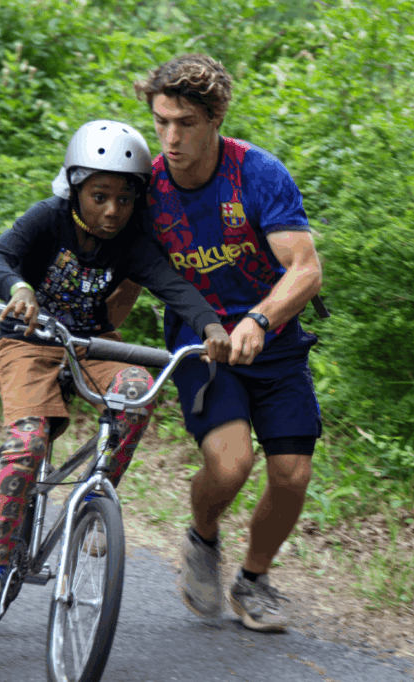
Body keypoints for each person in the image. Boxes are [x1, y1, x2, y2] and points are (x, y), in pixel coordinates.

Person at [0, 120, 231, 610]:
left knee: (136, 391)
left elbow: (174, 287)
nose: (112, 210)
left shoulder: (132, 243)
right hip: (30, 340)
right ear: (75, 187)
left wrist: (211, 327)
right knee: (29, 439)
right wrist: (20, 289)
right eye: (100, 195)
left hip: (93, 342)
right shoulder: (47, 218)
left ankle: (92, 502)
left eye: (125, 199)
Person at [133, 53, 324, 632]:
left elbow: (306, 269)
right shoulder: (146, 188)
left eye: (185, 123)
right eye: (161, 121)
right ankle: (203, 539)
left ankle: (255, 579)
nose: (170, 137)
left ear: (215, 119)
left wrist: (261, 322)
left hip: (274, 340)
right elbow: (124, 275)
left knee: (291, 475)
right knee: (231, 464)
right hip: (201, 344)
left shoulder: (256, 173)